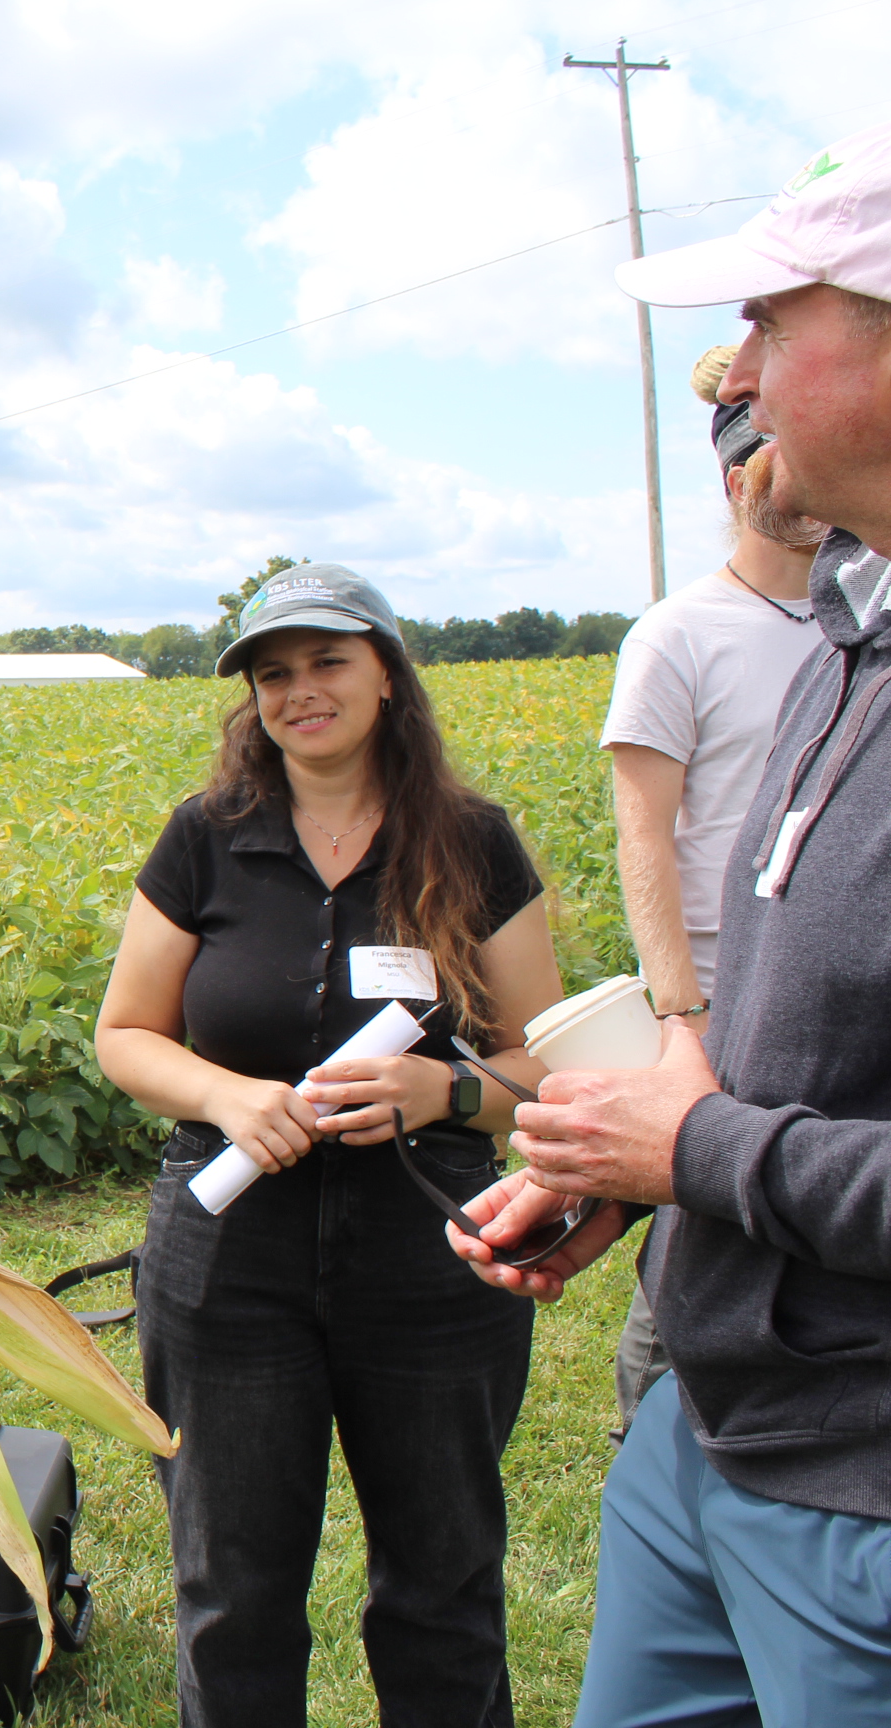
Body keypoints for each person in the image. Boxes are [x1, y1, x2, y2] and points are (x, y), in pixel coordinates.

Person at [455, 122, 891, 1724]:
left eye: (778, 320)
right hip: (706, 1437)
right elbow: (813, 1053)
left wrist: (694, 1158)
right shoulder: (848, 649)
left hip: (863, 1504)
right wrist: (638, 1181)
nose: (739, 370)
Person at [94, 564, 565, 1728]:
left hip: (430, 1261)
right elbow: (124, 1036)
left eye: (327, 663)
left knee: (442, 1588)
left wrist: (441, 1090)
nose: (300, 691)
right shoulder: (206, 840)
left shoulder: (473, 842)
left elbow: (548, 1067)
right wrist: (229, 1097)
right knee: (233, 1593)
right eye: (273, 674)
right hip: (229, 1261)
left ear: (389, 678)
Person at [596, 350, 826, 1434]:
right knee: (700, 1251)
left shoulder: (859, 628)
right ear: (730, 480)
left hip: (833, 1001)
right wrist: (680, 1021)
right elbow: (646, 840)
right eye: (759, 459)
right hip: (722, 1008)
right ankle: (659, 1442)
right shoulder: (676, 635)